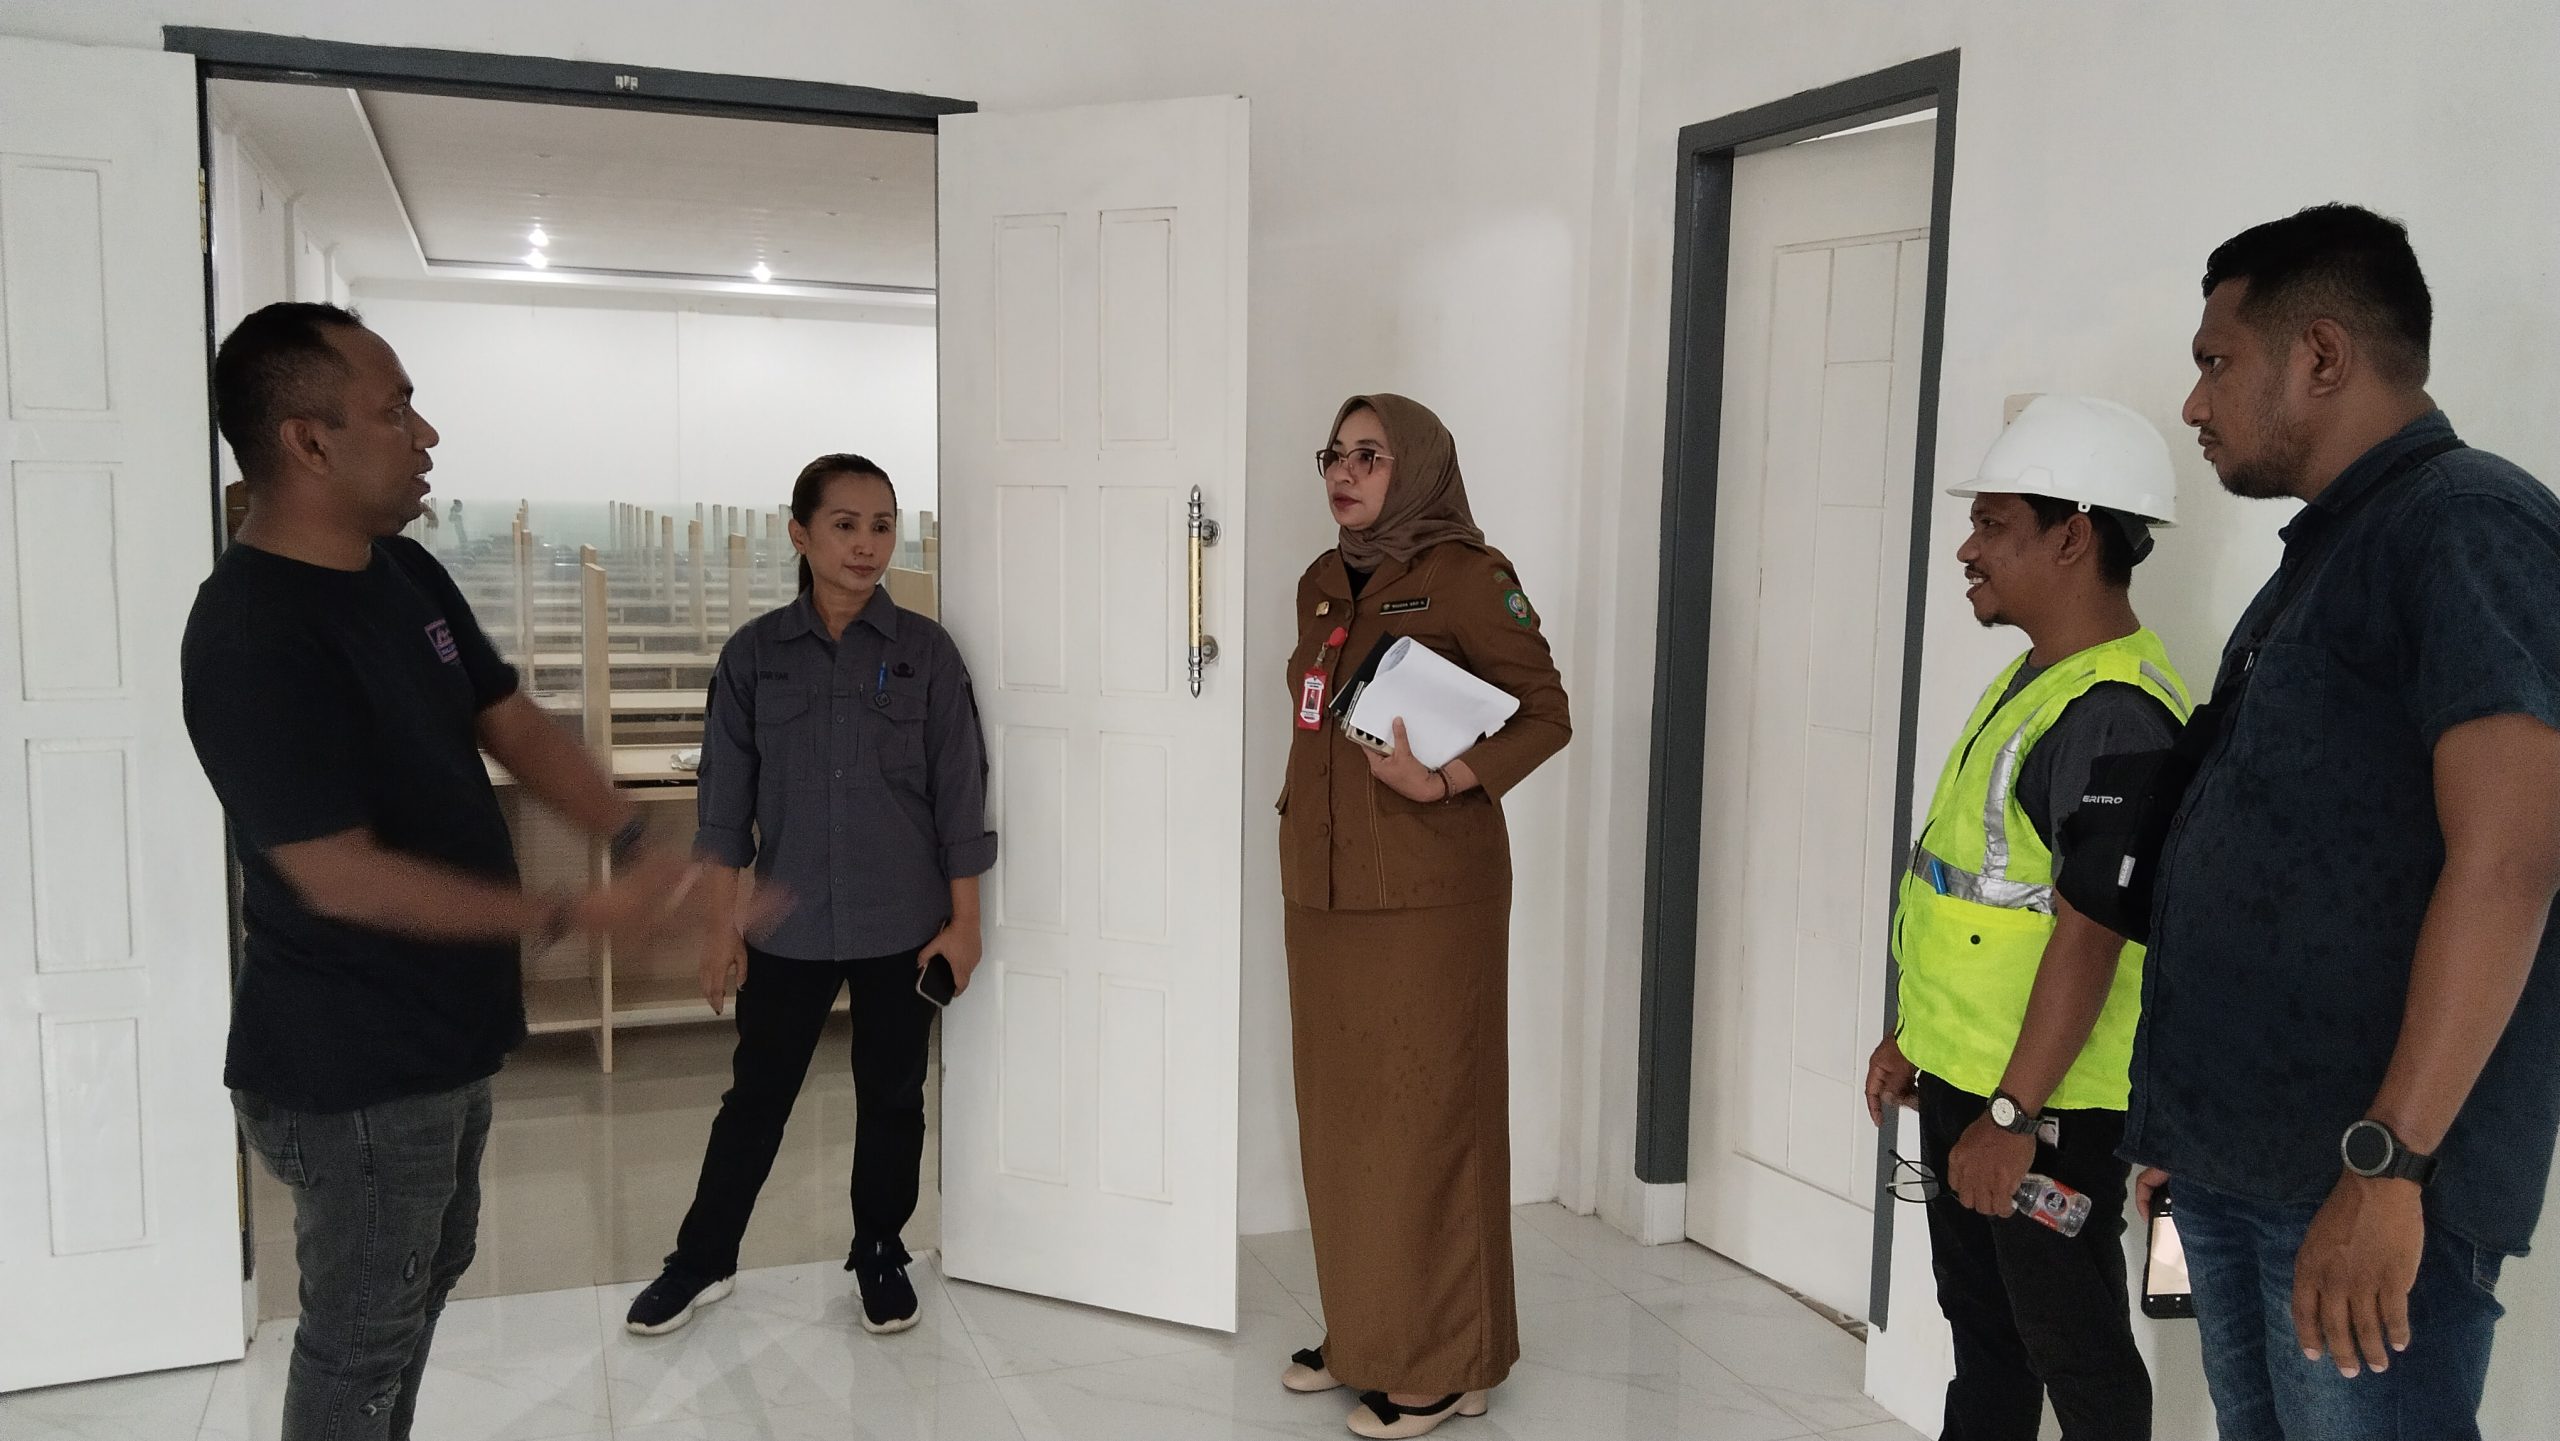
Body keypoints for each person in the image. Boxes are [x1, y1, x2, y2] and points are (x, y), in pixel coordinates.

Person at [183, 302, 696, 1441]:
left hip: (443, 1035)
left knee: (419, 1285)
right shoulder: (253, 634)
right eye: (396, 408)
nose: (426, 434)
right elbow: (341, 877)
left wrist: (635, 838)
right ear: (309, 443)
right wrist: (572, 910)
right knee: (362, 1335)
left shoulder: (401, 571)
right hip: (354, 1063)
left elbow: (507, 716)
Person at [2125, 204, 2560, 1440]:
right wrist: (2187, 1126)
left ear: (2319, 354)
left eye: (2215, 361)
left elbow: (2512, 860)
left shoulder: (2465, 522)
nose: (2195, 402)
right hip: (2243, 1167)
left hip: (2357, 1180)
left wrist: (2390, 1164)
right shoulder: (2329, 551)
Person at [1865, 395, 2190, 1441]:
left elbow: (2090, 934)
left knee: (2075, 1351)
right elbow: (1977, 895)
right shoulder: (2041, 680)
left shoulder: (2116, 714)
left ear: (2072, 537)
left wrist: (2012, 1117)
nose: (1969, 549)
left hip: (2048, 1109)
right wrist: (1913, 1039)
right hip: (1973, 1079)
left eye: (1993, 524)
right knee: (1988, 1335)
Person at [624, 454, 996, 1338]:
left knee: (893, 1097)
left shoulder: (926, 654)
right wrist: (721, 928)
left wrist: (966, 922)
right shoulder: (754, 656)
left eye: (882, 525)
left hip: (901, 922)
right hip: (788, 924)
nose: (866, 545)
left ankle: (880, 1251)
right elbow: (723, 811)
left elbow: (959, 796)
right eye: (845, 524)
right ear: (799, 533)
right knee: (757, 1097)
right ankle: (702, 1259)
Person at [1277, 394, 1571, 1439]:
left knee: (1428, 1120)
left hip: (1429, 896)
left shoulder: (1466, 576)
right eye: (1334, 453)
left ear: (1419, 467)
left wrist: (1446, 780)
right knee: (1344, 1119)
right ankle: (1369, 1332)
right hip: (1324, 887)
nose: (1343, 472)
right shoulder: (1324, 580)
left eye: (1370, 455)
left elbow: (1546, 714)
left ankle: (1448, 1362)